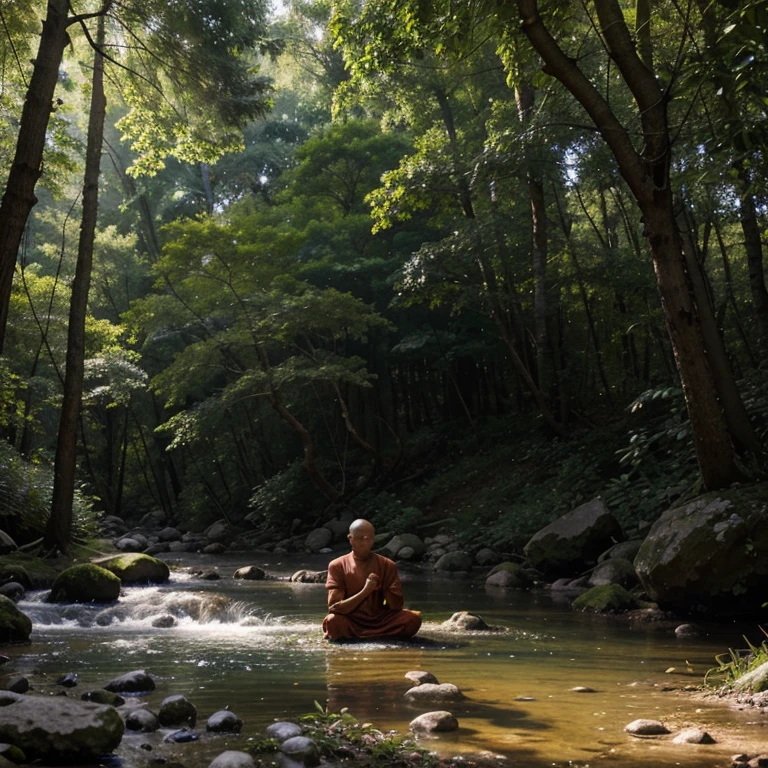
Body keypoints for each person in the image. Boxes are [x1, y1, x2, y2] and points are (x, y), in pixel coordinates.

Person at [323, 519, 421, 641]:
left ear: (373, 539)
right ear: (350, 538)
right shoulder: (337, 565)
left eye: (368, 538)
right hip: (351, 619)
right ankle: (377, 636)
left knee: (412, 619)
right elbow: (335, 608)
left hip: (380, 620)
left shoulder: (387, 565)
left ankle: (370, 635)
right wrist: (366, 591)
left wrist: (385, 588)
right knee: (333, 621)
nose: (365, 542)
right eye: (360, 538)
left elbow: (396, 606)